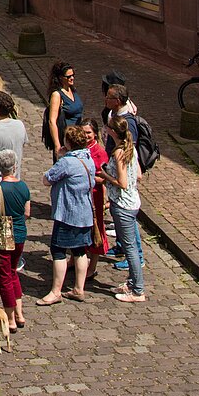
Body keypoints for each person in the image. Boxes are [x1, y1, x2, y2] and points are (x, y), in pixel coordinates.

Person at [38, 123, 96, 304]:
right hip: (85, 213)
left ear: (68, 143)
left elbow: (47, 179)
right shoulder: (88, 158)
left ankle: (56, 291)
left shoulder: (67, 162)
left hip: (68, 214)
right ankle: (79, 288)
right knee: (79, 251)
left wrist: (61, 156)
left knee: (58, 250)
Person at [0, 147, 31, 330]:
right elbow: (27, 212)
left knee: (4, 278)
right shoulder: (23, 186)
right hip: (20, 235)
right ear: (14, 166)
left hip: (3, 238)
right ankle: (19, 313)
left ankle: (10, 319)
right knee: (13, 272)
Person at [103, 110, 145, 303]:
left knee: (130, 249)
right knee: (131, 246)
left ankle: (137, 290)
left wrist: (105, 177)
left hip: (123, 204)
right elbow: (138, 176)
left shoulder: (120, 152)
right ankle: (131, 283)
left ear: (113, 131)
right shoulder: (130, 148)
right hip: (133, 202)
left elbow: (123, 182)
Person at [83, 117, 110, 284]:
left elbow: (104, 178)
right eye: (84, 133)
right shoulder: (80, 147)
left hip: (94, 196)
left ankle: (92, 266)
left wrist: (86, 177)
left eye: (89, 133)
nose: (86, 136)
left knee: (95, 230)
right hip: (82, 195)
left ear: (95, 133)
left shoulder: (99, 152)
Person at [43, 62, 83, 159]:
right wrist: (57, 144)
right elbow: (52, 121)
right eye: (68, 76)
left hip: (78, 138)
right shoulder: (57, 95)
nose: (72, 78)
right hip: (66, 139)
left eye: (73, 75)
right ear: (60, 77)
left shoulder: (72, 90)